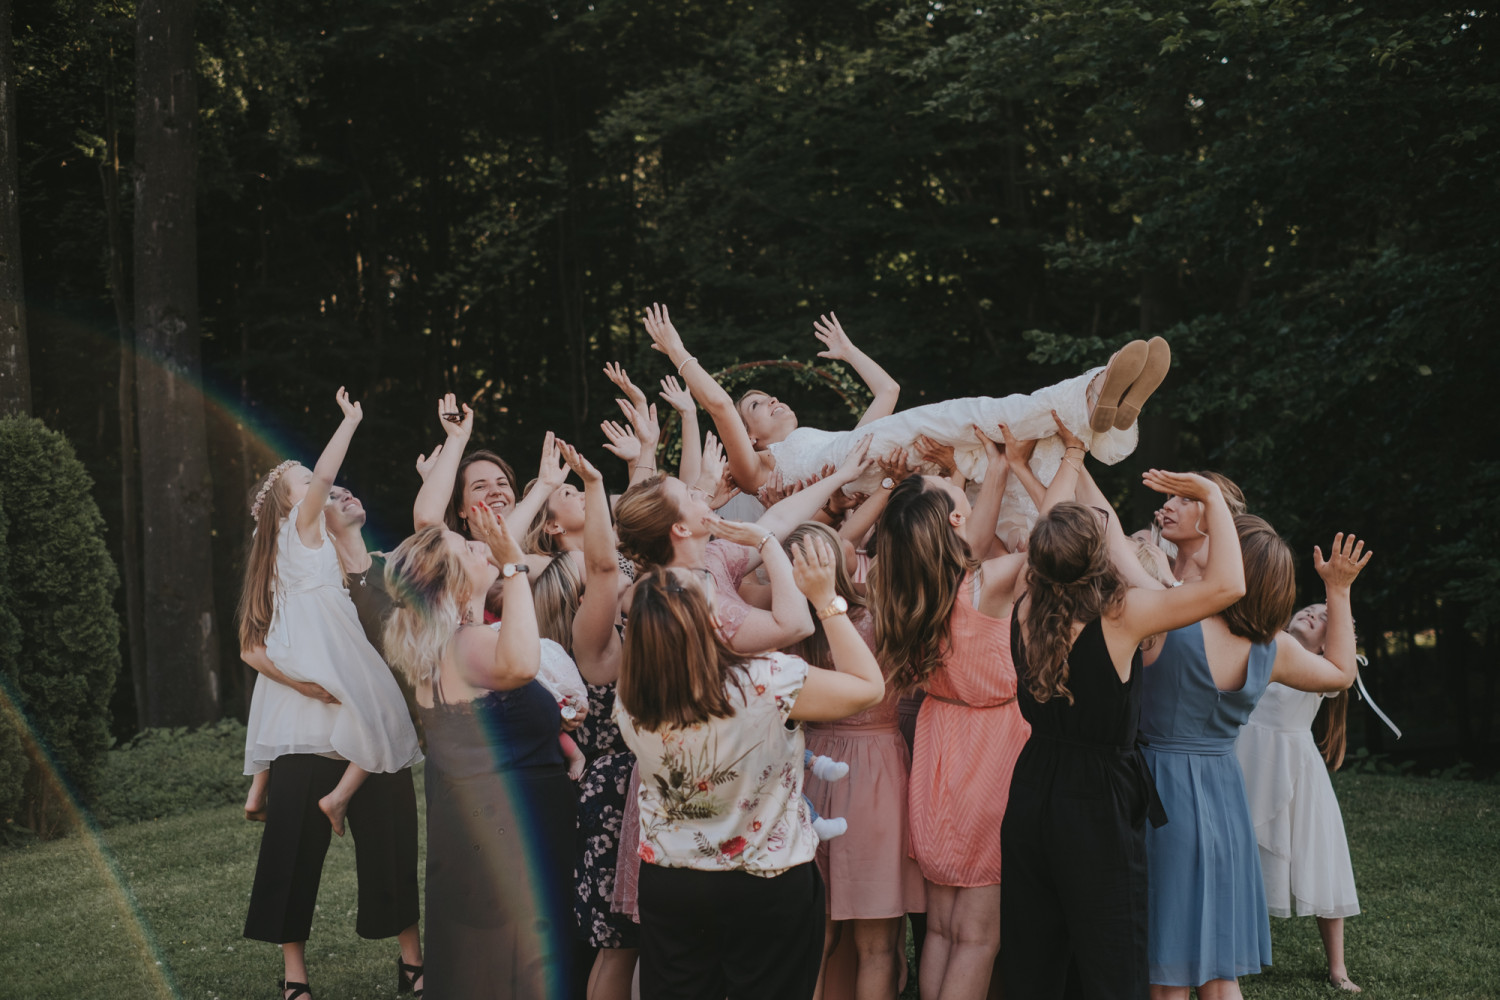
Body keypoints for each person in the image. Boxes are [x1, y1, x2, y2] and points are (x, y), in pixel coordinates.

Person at [998, 446, 1249, 999]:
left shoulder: (1024, 600)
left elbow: (1053, 534)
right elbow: (1229, 586)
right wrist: (1209, 496)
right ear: (1100, 558)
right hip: (1096, 797)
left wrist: (1071, 458)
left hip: (1032, 784)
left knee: (1032, 949)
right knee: (1110, 950)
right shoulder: (1122, 615)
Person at [639, 301, 1169, 546]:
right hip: (866, 470)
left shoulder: (830, 438)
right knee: (974, 415)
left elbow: (888, 392)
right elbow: (721, 408)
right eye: (759, 405)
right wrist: (679, 353)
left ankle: (1109, 419)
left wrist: (849, 351)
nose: (771, 400)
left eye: (770, 395)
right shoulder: (758, 469)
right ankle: (1094, 389)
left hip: (873, 457)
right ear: (750, 437)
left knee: (1012, 477)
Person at [614, 535, 886, 1000]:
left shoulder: (632, 700)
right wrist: (825, 601)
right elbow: (867, 687)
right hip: (766, 881)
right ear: (712, 621)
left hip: (674, 882)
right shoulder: (765, 681)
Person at [238, 389, 423, 1000]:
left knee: (389, 812)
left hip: (331, 688)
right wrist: (349, 421)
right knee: (292, 846)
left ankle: (407, 960)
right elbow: (250, 648)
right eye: (300, 481)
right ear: (288, 505)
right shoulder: (293, 538)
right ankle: (299, 976)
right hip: (312, 705)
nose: (312, 483)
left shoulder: (310, 553)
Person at [1140, 525, 1371, 1000]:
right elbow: (1343, 673)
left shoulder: (1171, 615)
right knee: (1221, 973)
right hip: (1227, 802)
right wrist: (1338, 588)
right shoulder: (1273, 647)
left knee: (1169, 974)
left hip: (1163, 792)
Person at [383, 505, 578, 999]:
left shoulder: (442, 644)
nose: (478, 545)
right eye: (466, 548)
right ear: (452, 582)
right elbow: (520, 664)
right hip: (509, 833)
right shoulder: (465, 644)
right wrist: (512, 566)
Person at [870, 442, 1030, 1000]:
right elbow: (1056, 539)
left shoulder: (905, 590)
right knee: (978, 936)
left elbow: (971, 541)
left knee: (939, 928)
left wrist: (1002, 466)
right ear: (955, 522)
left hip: (937, 755)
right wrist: (1059, 465)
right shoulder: (987, 587)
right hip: (992, 753)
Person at [786, 521, 925, 1000]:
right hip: (876, 769)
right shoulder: (884, 612)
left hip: (806, 766)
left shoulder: (790, 623)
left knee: (812, 936)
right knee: (878, 943)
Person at [1235, 603, 1366, 992]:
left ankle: (1337, 967)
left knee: (1318, 859)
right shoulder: (1259, 644)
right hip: (1245, 760)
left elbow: (1343, 671)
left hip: (1295, 772)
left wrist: (1337, 598)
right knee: (1239, 860)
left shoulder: (1323, 670)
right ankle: (1233, 962)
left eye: (1325, 618)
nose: (1314, 615)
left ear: (1332, 643)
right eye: (1311, 609)